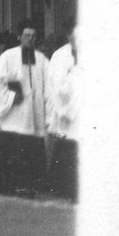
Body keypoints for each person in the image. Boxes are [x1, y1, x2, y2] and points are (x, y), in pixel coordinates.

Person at [0, 24, 50, 196]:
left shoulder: (41, 59)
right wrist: (12, 97)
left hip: (34, 117)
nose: (31, 39)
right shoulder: (8, 56)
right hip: (13, 117)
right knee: (12, 152)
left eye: (34, 36)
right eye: (27, 35)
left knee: (31, 153)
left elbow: (50, 87)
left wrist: (48, 113)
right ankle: (8, 186)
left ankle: (28, 186)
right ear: (20, 37)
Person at [46, 25, 78, 200]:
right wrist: (75, 78)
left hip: (83, 109)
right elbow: (57, 83)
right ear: (69, 34)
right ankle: (65, 188)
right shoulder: (60, 55)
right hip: (66, 109)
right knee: (67, 148)